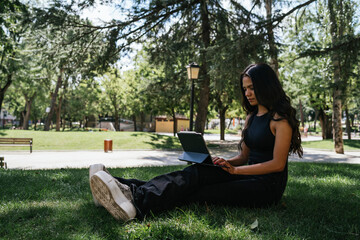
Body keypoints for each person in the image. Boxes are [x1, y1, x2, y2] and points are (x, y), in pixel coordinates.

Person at [89, 63, 303, 222]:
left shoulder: (280, 120)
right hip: (247, 176)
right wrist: (224, 163)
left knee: (199, 192)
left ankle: (131, 197)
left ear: (266, 86)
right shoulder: (251, 117)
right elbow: (244, 158)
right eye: (245, 88)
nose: (247, 93)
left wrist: (235, 173)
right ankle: (121, 187)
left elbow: (277, 164)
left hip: (267, 188)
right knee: (198, 173)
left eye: (252, 88)